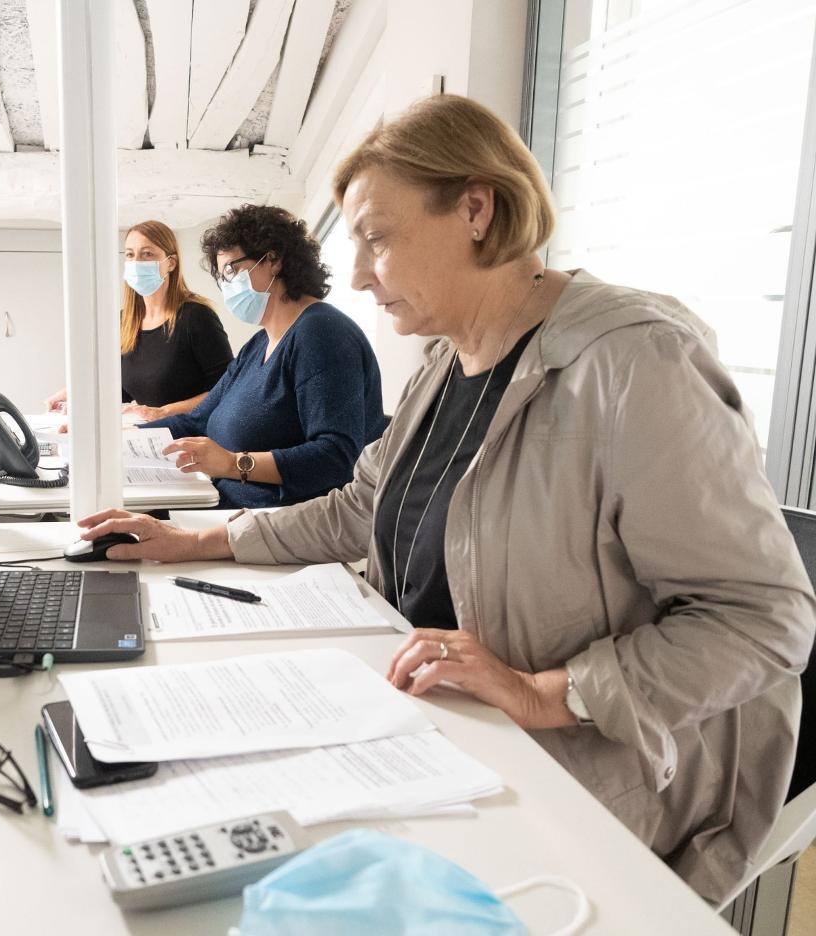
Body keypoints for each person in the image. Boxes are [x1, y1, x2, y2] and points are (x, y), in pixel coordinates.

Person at [73, 96, 816, 904]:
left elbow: (762, 621)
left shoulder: (638, 363)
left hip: (582, 773)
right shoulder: (444, 359)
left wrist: (545, 691)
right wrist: (199, 543)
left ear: (474, 208)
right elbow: (359, 506)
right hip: (438, 722)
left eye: (377, 239)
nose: (355, 273)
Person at [145, 204, 386, 509]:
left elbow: (336, 456)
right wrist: (116, 440)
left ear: (272, 260)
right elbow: (196, 421)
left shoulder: (322, 333)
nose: (228, 285)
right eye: (222, 277)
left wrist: (234, 463)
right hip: (227, 507)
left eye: (232, 269)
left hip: (285, 521)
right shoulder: (258, 345)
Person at [43, 219, 233, 421]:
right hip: (151, 436)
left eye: (147, 254)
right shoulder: (125, 321)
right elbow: (122, 387)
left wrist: (164, 412)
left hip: (195, 437)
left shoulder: (196, 317)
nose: (136, 263)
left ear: (171, 263)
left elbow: (227, 389)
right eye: (130, 255)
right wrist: (74, 394)